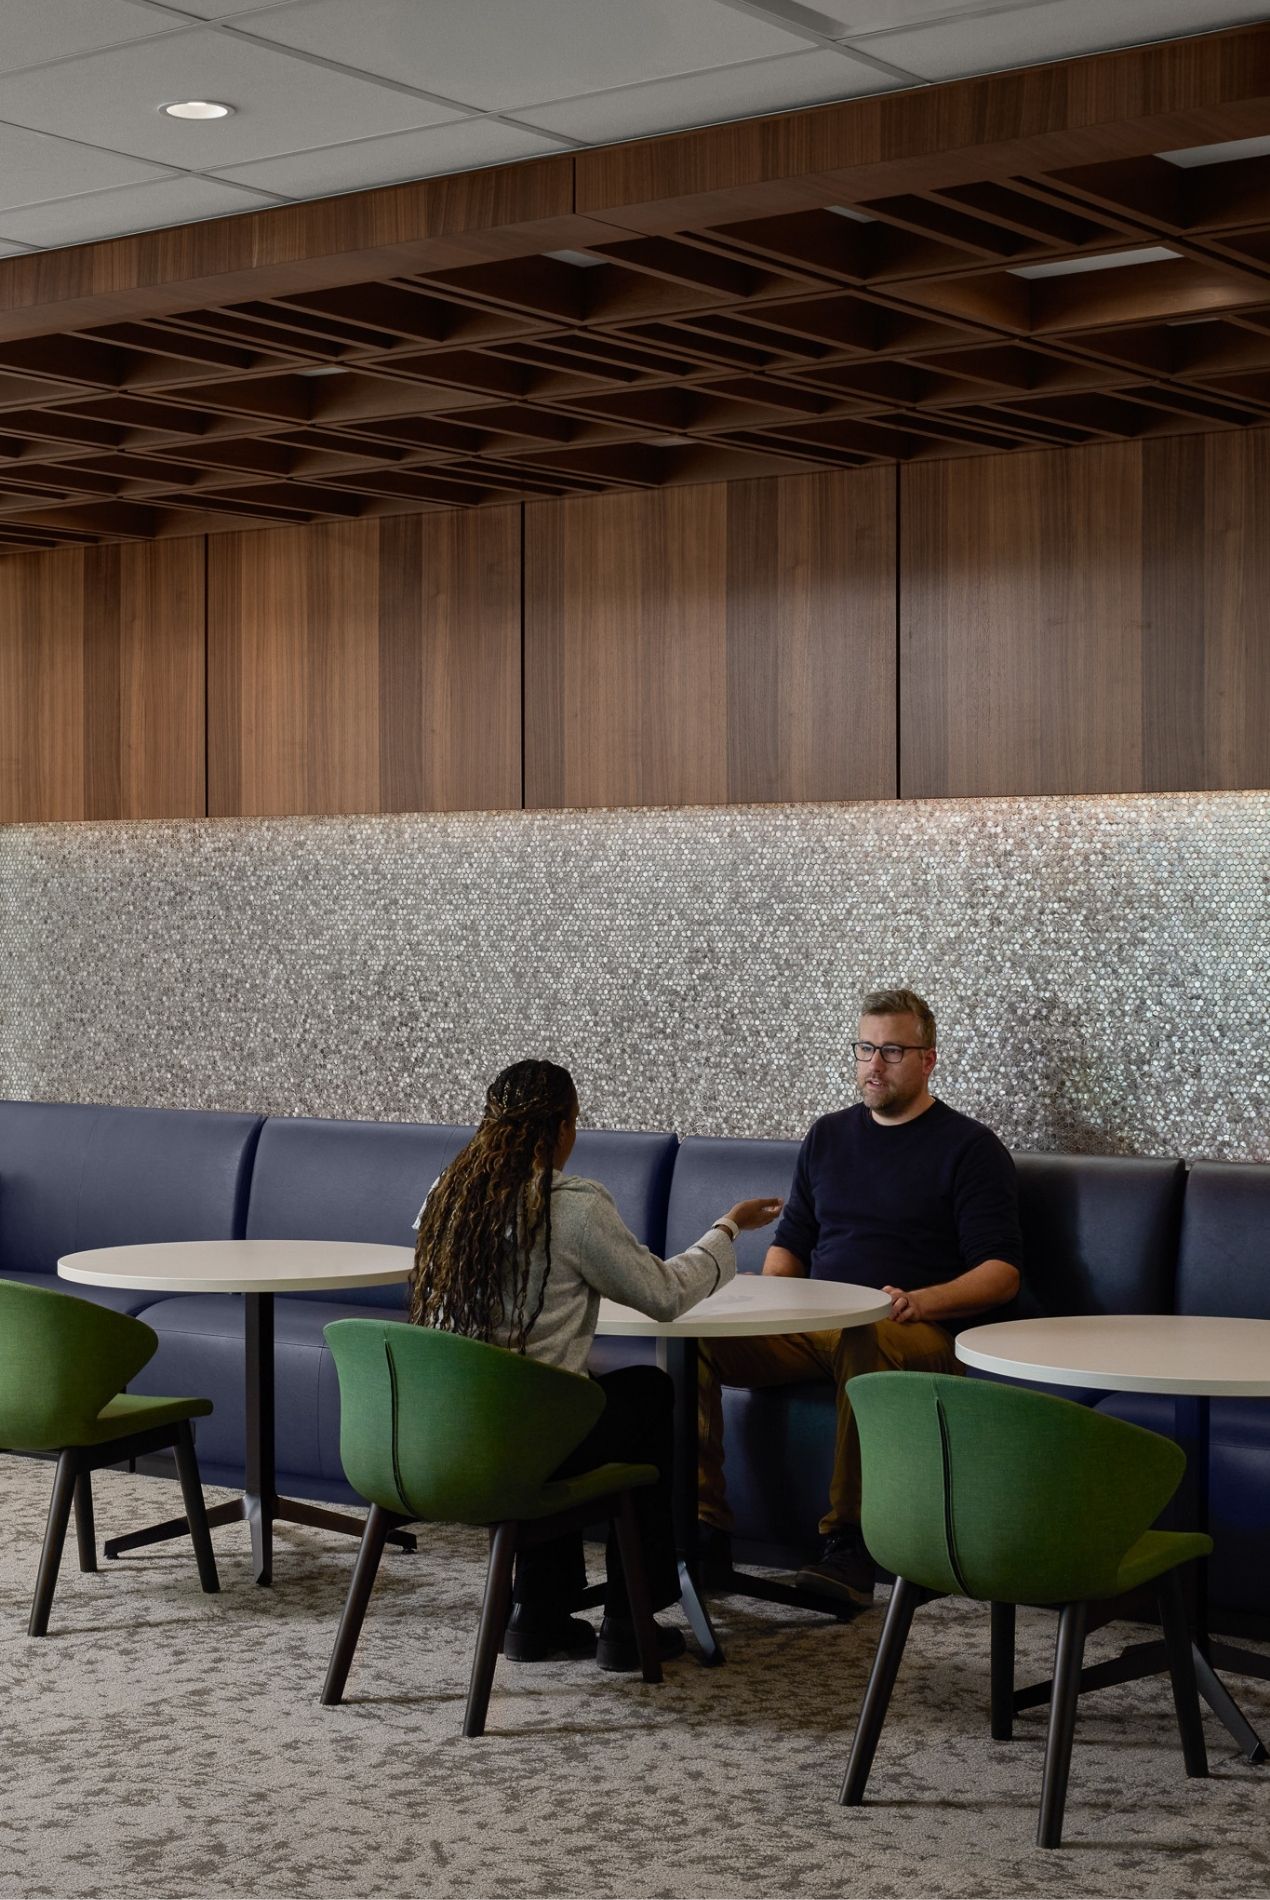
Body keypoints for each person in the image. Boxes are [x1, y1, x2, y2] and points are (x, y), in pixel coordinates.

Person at [409, 1058, 782, 1672]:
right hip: (524, 1442)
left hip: (447, 1434)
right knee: (645, 1395)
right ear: (560, 1128)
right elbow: (663, 1295)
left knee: (570, 1393)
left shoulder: (446, 1197)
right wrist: (728, 1228)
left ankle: (538, 1613)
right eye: (575, 1123)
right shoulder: (571, 1206)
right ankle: (630, 1621)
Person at [697, 987, 1023, 1609]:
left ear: (928, 1059)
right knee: (696, 1343)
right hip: (818, 1325)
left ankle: (848, 1542)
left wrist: (923, 1301)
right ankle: (703, 1529)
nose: (874, 1064)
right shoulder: (827, 1136)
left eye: (892, 1051)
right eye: (866, 1048)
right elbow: (791, 1244)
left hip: (914, 1329)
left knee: (862, 1334)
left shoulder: (970, 1147)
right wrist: (773, 1301)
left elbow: (1000, 1272)